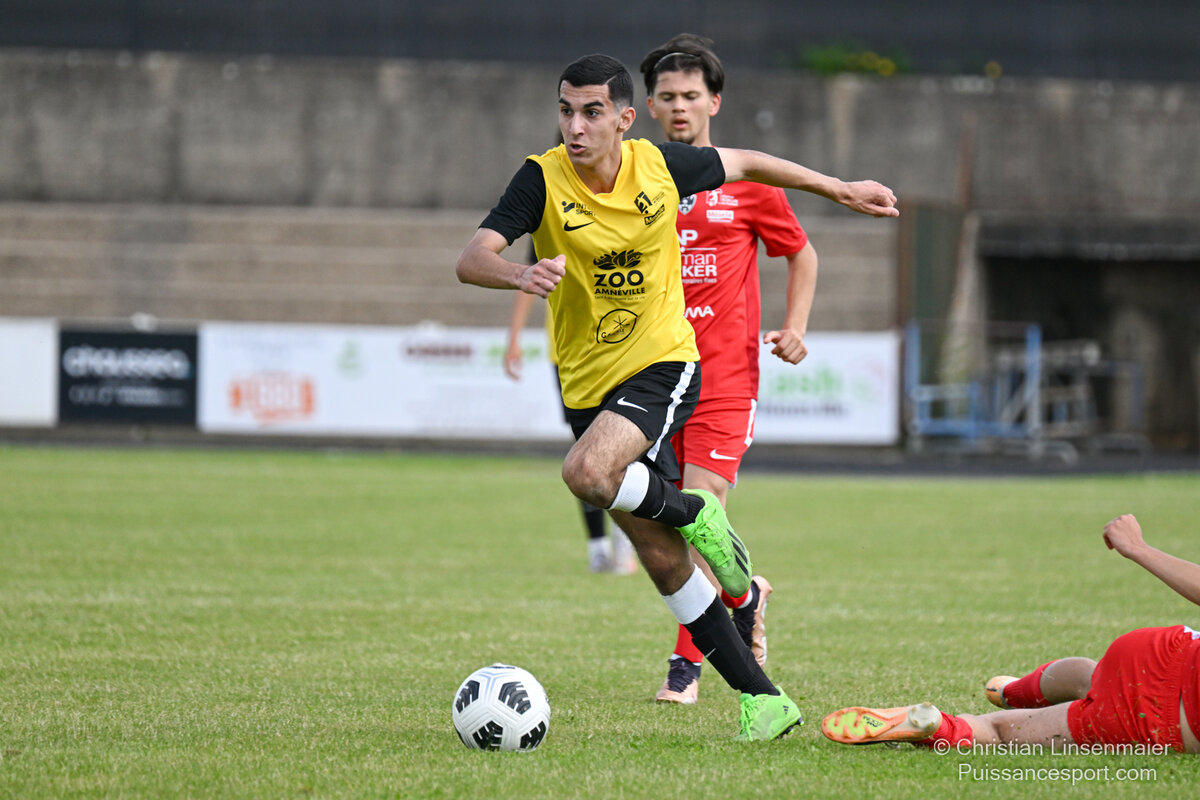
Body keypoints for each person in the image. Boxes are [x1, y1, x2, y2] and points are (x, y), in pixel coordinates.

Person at [456, 53, 898, 739]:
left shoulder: (660, 167)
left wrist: (837, 187)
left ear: (625, 120)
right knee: (664, 559)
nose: (576, 126)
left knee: (587, 473)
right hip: (587, 382)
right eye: (566, 111)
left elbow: (750, 163)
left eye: (592, 112)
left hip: (664, 363)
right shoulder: (540, 178)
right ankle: (764, 700)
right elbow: (471, 258)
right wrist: (518, 274)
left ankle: (695, 512)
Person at [639, 34, 819, 705]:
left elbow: (801, 253)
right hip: (653, 382)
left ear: (714, 102)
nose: (679, 106)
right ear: (648, 107)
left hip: (723, 381)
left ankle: (684, 667)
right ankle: (747, 596)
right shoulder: (633, 182)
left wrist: (796, 328)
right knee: (660, 531)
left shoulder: (745, 181)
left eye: (692, 95)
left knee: (700, 515)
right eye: (667, 96)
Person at [821, 514, 1200, 753]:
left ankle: (1013, 691)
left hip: (1162, 651)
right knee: (999, 732)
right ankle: (939, 724)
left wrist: (1138, 548)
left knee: (1093, 674)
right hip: (1155, 716)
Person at [503, 289, 636, 575]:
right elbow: (528, 280)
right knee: (583, 449)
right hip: (568, 352)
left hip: (615, 348)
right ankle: (598, 548)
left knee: (621, 447)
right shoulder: (548, 253)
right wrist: (514, 337)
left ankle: (624, 543)